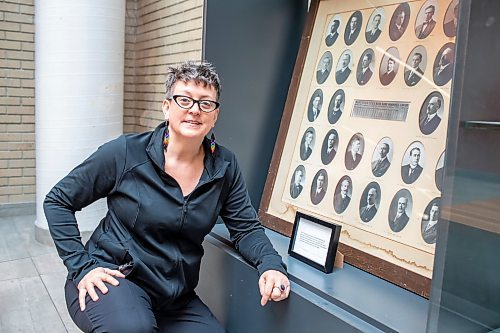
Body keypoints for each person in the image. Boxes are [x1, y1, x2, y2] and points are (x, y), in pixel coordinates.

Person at [43, 61, 290, 333]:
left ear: (215, 115)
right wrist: (81, 267)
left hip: (174, 297)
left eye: (205, 103)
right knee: (132, 328)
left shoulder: (225, 166)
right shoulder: (125, 152)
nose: (194, 110)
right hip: (114, 279)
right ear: (166, 106)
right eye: (184, 100)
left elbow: (245, 228)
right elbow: (57, 200)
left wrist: (271, 265)